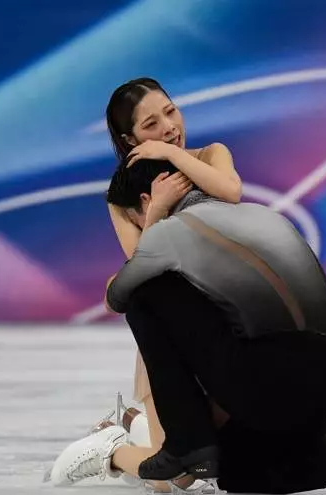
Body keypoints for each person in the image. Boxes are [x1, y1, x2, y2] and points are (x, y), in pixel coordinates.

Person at [47, 158, 326, 495]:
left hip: (268, 383)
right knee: (236, 467)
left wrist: (152, 219)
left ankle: (187, 445)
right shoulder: (265, 215)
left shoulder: (168, 231)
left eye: (134, 219)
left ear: (148, 200)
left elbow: (118, 296)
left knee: (145, 292)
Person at [104, 77, 245, 452]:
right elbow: (142, 270)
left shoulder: (211, 155)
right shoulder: (122, 199)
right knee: (176, 475)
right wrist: (158, 210)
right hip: (168, 333)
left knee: (228, 451)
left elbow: (230, 192)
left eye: (170, 112)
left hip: (227, 325)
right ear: (129, 141)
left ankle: (132, 425)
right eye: (151, 125)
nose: (169, 128)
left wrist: (174, 156)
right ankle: (110, 453)